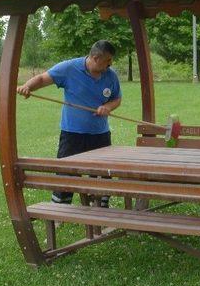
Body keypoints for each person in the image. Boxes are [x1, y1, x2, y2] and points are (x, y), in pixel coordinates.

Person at [17, 40, 122, 207]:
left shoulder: (111, 76)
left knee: (102, 172)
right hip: (72, 134)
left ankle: (100, 208)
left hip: (100, 134)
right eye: (108, 60)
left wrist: (107, 107)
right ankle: (60, 210)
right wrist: (27, 87)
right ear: (95, 58)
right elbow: (43, 79)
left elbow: (117, 98)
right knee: (66, 172)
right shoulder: (69, 68)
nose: (111, 64)